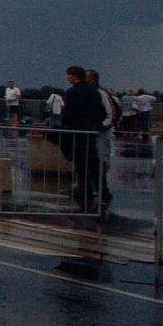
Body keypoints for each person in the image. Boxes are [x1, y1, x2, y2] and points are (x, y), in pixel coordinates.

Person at [59, 63, 112, 216]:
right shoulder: (94, 92)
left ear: (74, 76)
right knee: (94, 164)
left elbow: (68, 113)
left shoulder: (71, 92)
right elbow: (101, 112)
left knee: (82, 165)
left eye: (68, 75)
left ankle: (85, 192)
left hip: (78, 131)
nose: (67, 77)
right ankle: (103, 192)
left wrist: (67, 125)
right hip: (92, 131)